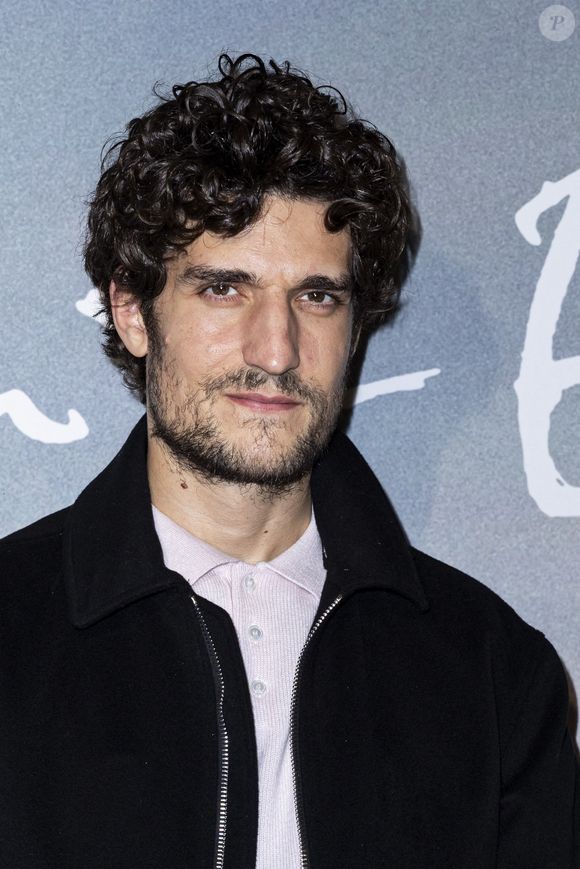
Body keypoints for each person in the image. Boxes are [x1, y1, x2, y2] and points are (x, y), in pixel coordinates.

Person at [0, 53, 577, 869]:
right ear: (133, 311)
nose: (276, 350)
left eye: (316, 296)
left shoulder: (491, 671)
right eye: (224, 289)